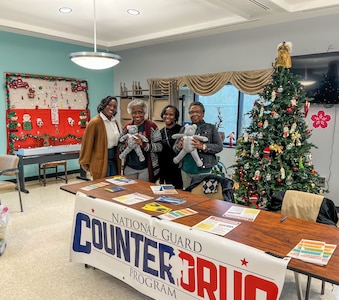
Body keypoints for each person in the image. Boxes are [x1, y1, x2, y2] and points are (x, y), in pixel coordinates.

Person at [173, 101, 223, 189]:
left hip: (203, 171)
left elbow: (219, 147)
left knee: (202, 198)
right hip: (185, 170)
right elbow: (174, 148)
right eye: (191, 112)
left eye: (197, 112)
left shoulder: (211, 128)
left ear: (203, 113)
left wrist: (202, 146)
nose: (194, 114)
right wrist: (179, 146)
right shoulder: (184, 128)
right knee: (189, 196)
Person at [119, 98, 162, 182]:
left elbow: (159, 147)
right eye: (134, 112)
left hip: (146, 168)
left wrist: (144, 145)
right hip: (129, 167)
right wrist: (126, 145)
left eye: (140, 112)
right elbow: (119, 145)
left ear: (144, 113)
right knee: (130, 191)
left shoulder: (152, 126)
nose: (137, 115)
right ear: (131, 113)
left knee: (144, 192)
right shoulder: (126, 128)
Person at [79, 96, 121, 180]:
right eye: (109, 105)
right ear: (103, 105)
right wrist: (84, 162)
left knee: (114, 183)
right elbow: (87, 142)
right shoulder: (95, 122)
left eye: (115, 106)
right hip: (100, 158)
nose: (112, 108)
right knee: (101, 185)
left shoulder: (114, 121)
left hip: (114, 159)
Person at [158, 105, 183, 189]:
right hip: (164, 167)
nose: (167, 116)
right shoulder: (160, 132)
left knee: (178, 193)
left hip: (177, 168)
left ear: (175, 117)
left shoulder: (181, 130)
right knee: (167, 193)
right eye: (165, 114)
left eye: (171, 114)